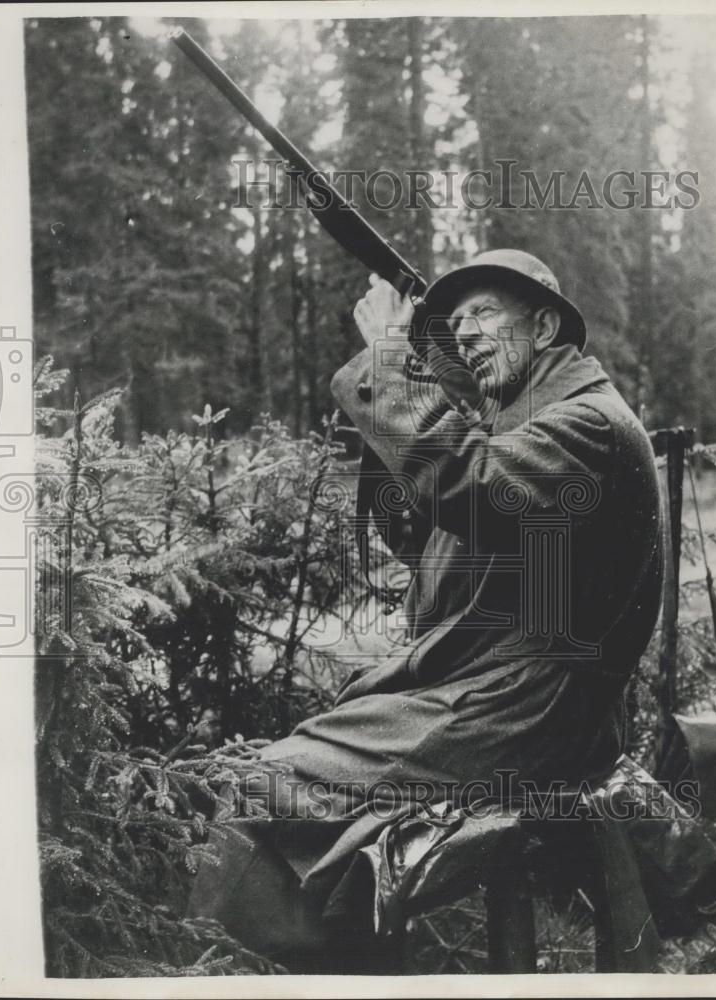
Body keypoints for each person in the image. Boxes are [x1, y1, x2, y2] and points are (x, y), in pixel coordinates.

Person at [187, 249, 664, 972]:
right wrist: (406, 394)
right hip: (492, 694)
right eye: (455, 319)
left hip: (521, 709)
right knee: (280, 780)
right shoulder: (528, 423)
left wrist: (387, 360)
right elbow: (426, 535)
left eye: (484, 313)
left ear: (543, 324)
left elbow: (472, 486)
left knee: (262, 789)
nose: (464, 332)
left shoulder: (586, 425)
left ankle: (238, 973)